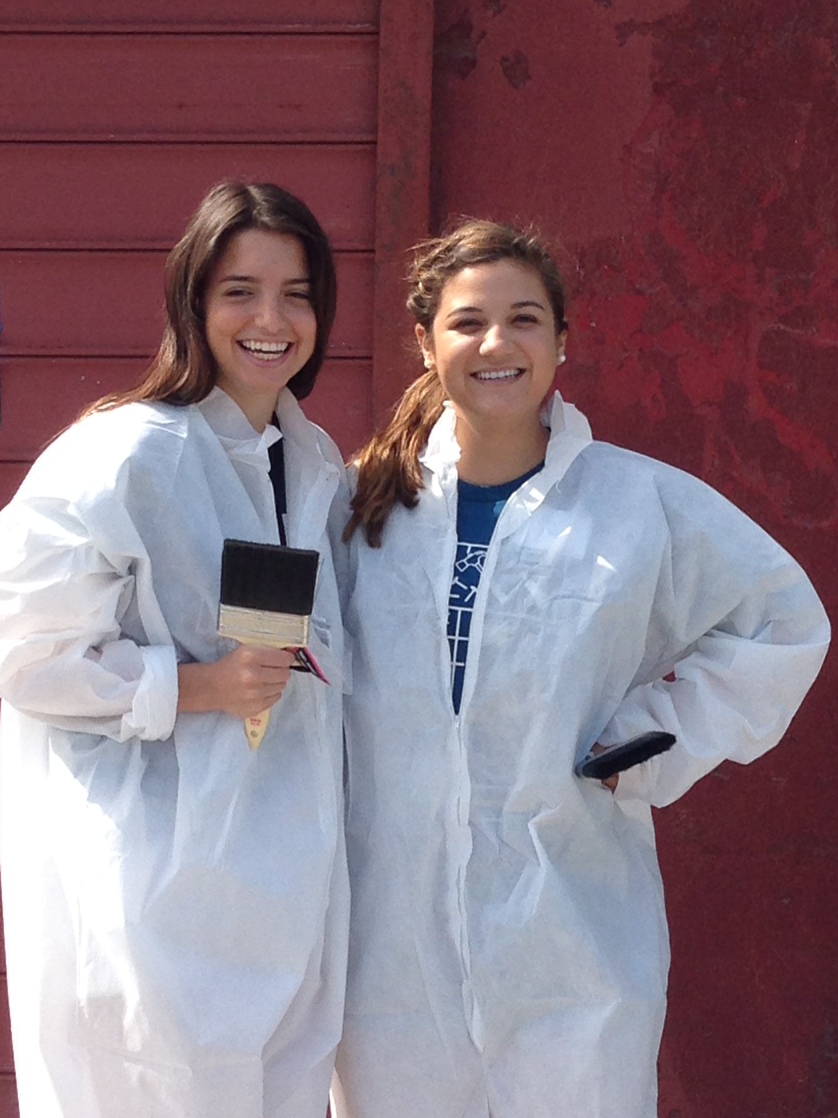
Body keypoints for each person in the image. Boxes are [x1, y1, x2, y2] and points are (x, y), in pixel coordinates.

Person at [333, 219, 830, 1118]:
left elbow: (782, 620)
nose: (498, 344)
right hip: (389, 953)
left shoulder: (636, 503)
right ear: (424, 340)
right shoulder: (365, 507)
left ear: (563, 341)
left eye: (525, 320)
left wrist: (645, 742)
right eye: (467, 322)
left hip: (574, 943)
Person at [0, 181, 349, 1118]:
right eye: (240, 290)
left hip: (286, 887)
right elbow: (22, 652)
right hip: (153, 887)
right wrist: (191, 686)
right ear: (193, 301)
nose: (271, 319)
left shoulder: (316, 467)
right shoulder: (122, 456)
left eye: (298, 293)